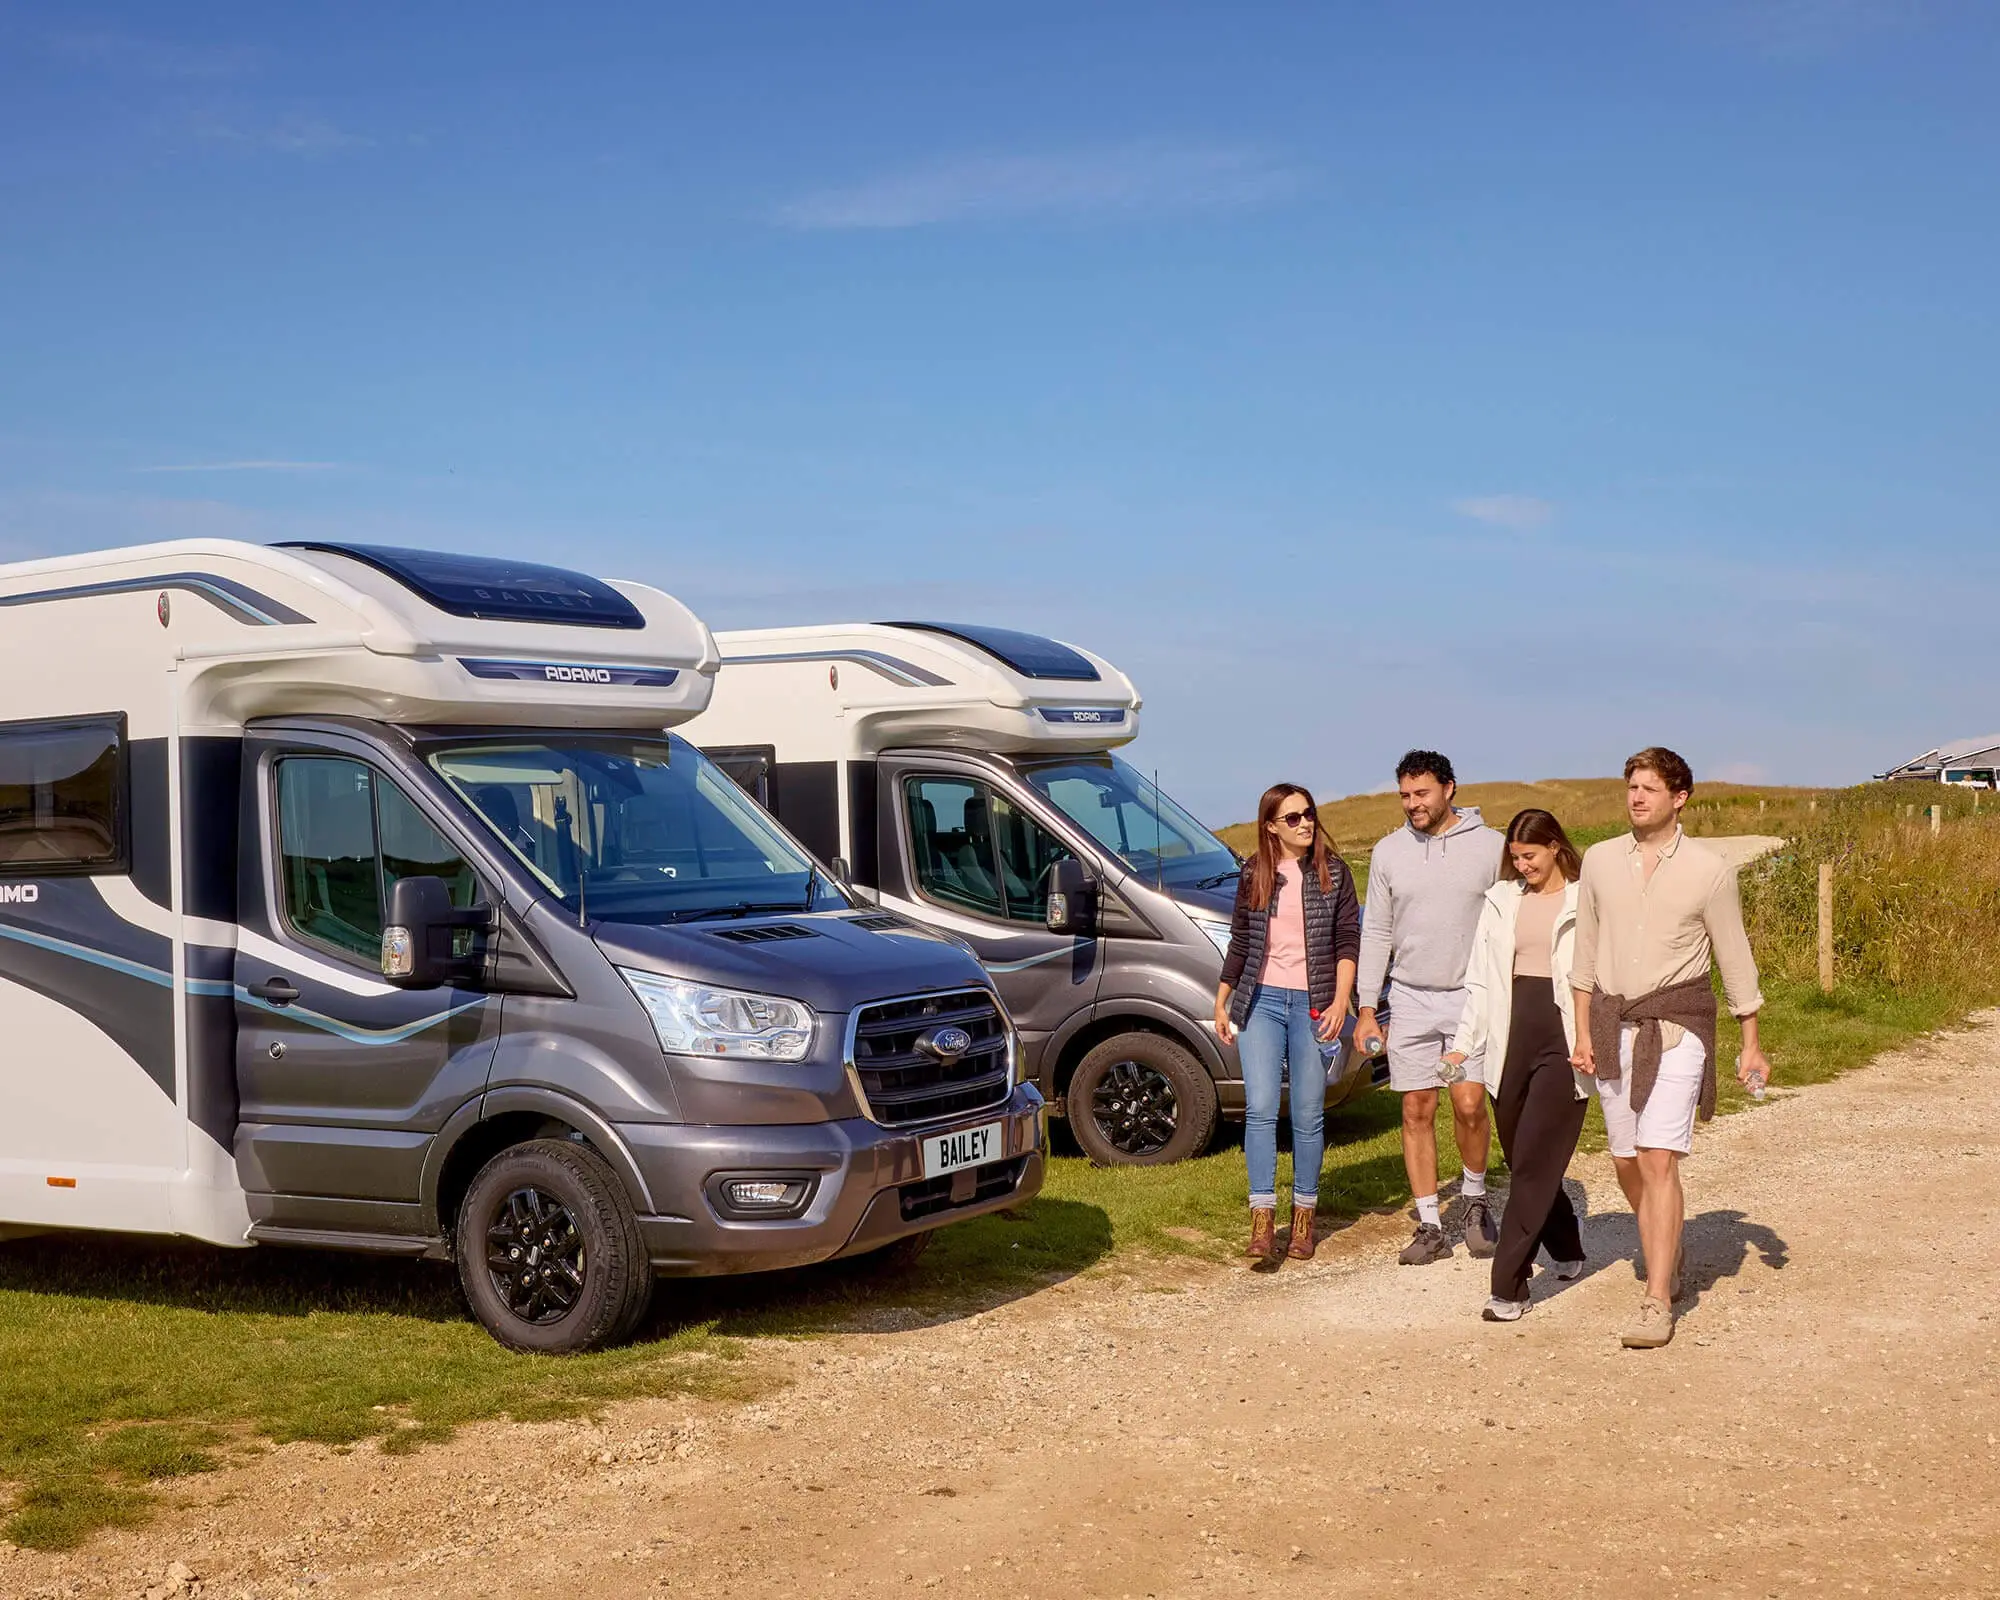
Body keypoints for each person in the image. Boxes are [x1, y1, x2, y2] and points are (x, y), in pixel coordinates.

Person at [1571, 747, 1771, 1350]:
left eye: (1650, 788)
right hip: (1610, 1023)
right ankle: (1669, 1241)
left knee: (1659, 1159)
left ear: (1679, 797)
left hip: (1678, 1027)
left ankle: (1658, 1296)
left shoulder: (1710, 869)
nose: (1637, 797)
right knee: (1626, 1161)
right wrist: (1581, 1032)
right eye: (1631, 786)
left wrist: (1750, 1042)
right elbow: (1584, 953)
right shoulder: (1601, 861)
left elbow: (1733, 957)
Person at [1353, 752, 1504, 1266]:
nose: (1412, 804)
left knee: (1467, 1104)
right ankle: (1431, 1225)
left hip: (1469, 997)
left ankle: (1476, 1201)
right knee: (1416, 1108)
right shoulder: (1388, 853)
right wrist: (1368, 1007)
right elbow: (1375, 931)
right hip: (1411, 997)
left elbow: (1511, 921)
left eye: (1422, 794)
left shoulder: (1491, 847)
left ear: (1449, 790)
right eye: (1405, 795)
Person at [1442, 809, 1590, 1321]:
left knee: (1532, 1161)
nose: (1521, 865)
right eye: (1515, 858)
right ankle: (1567, 1247)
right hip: (1511, 1036)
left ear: (1554, 846)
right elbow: (1481, 979)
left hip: (1564, 1036)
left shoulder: (1584, 897)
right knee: (1523, 1155)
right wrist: (1465, 1044)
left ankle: (1508, 1285)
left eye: (1529, 855)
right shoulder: (1502, 901)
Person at [1214, 783, 1360, 1264]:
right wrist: (1223, 1000)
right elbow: (1240, 941)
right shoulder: (1254, 872)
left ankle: (1303, 1218)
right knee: (1258, 1109)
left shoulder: (1334, 873)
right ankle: (1261, 1220)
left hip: (1315, 1004)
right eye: (1293, 817)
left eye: (1309, 814)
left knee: (1307, 1113)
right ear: (1271, 826)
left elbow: (1346, 941)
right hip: (1261, 1002)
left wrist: (1342, 1002)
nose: (1305, 823)